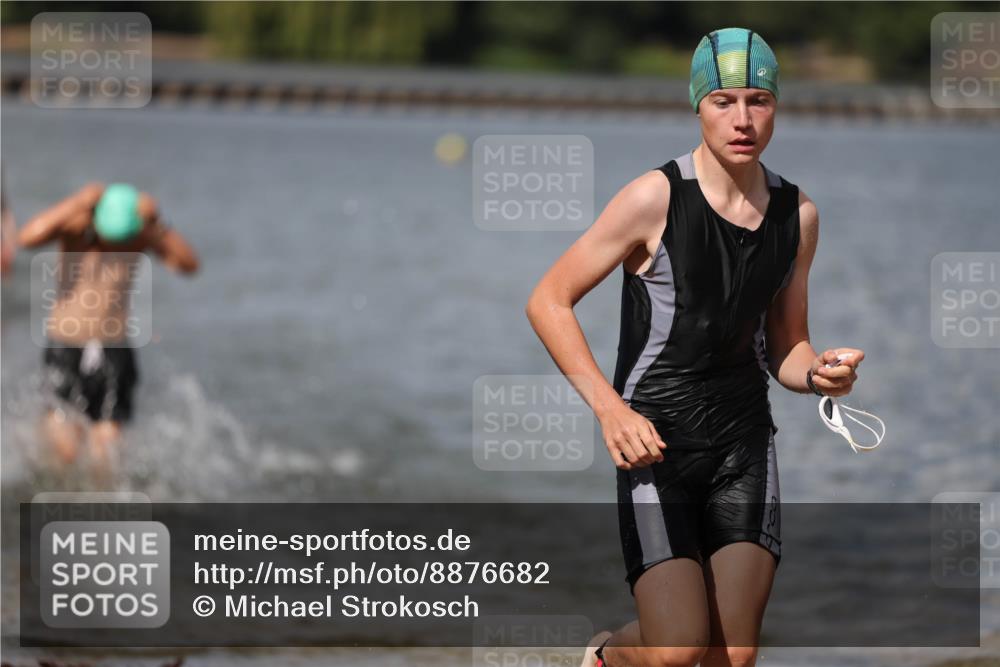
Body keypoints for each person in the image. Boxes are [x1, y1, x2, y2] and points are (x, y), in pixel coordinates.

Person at [526, 28, 865, 667]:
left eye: (758, 100)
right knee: (679, 651)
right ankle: (604, 657)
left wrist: (820, 375)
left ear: (777, 106)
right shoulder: (654, 198)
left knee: (732, 658)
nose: (743, 119)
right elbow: (548, 300)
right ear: (697, 104)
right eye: (724, 101)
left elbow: (787, 346)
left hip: (744, 445)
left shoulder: (799, 216)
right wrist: (610, 410)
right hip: (655, 444)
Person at [18, 182, 198, 476]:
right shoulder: (76, 226)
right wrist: (76, 201)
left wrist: (159, 222)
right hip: (66, 345)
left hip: (114, 349)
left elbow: (188, 265)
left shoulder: (140, 233)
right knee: (65, 453)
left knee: (107, 456)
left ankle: (103, 510)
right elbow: (27, 238)